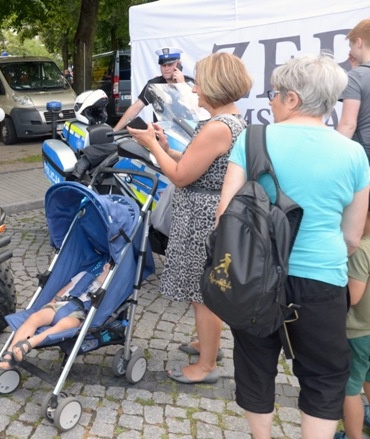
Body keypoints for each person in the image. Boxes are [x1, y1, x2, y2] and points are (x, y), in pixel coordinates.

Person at [216, 53, 369, 439]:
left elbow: (225, 217)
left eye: (275, 94)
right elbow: (353, 236)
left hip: (254, 277)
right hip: (321, 280)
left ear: (293, 99)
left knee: (254, 363)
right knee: (323, 374)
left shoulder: (251, 139)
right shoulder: (354, 154)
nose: (270, 100)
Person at [128, 52, 251, 384]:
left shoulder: (217, 127)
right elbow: (198, 163)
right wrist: (167, 148)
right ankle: (207, 344)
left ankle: (207, 364)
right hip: (205, 212)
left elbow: (182, 176)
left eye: (199, 84)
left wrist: (152, 146)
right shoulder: (230, 121)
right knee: (205, 288)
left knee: (203, 293)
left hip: (203, 218)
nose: (194, 90)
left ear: (214, 86)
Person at [0, 262, 110, 369]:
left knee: (67, 324)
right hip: (62, 304)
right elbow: (66, 288)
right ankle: (10, 353)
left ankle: (28, 344)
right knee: (34, 318)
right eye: (110, 269)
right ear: (105, 267)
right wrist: (53, 301)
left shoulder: (108, 290)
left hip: (78, 313)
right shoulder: (84, 275)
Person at [335, 199, 370, 439]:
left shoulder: (361, 250)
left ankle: (353, 436)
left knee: (349, 390)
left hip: (356, 332)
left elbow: (353, 296)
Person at [114, 47, 194, 131]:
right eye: (163, 65)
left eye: (170, 65)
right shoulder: (154, 84)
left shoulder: (190, 83)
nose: (166, 68)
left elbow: (196, 110)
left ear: (179, 64)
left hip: (187, 132)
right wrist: (114, 131)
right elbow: (136, 108)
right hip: (163, 134)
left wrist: (182, 85)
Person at [337, 19, 370, 162]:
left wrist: (332, 153)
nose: (350, 52)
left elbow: (348, 124)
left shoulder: (355, 77)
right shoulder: (357, 75)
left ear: (359, 42)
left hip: (364, 153)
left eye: (350, 46)